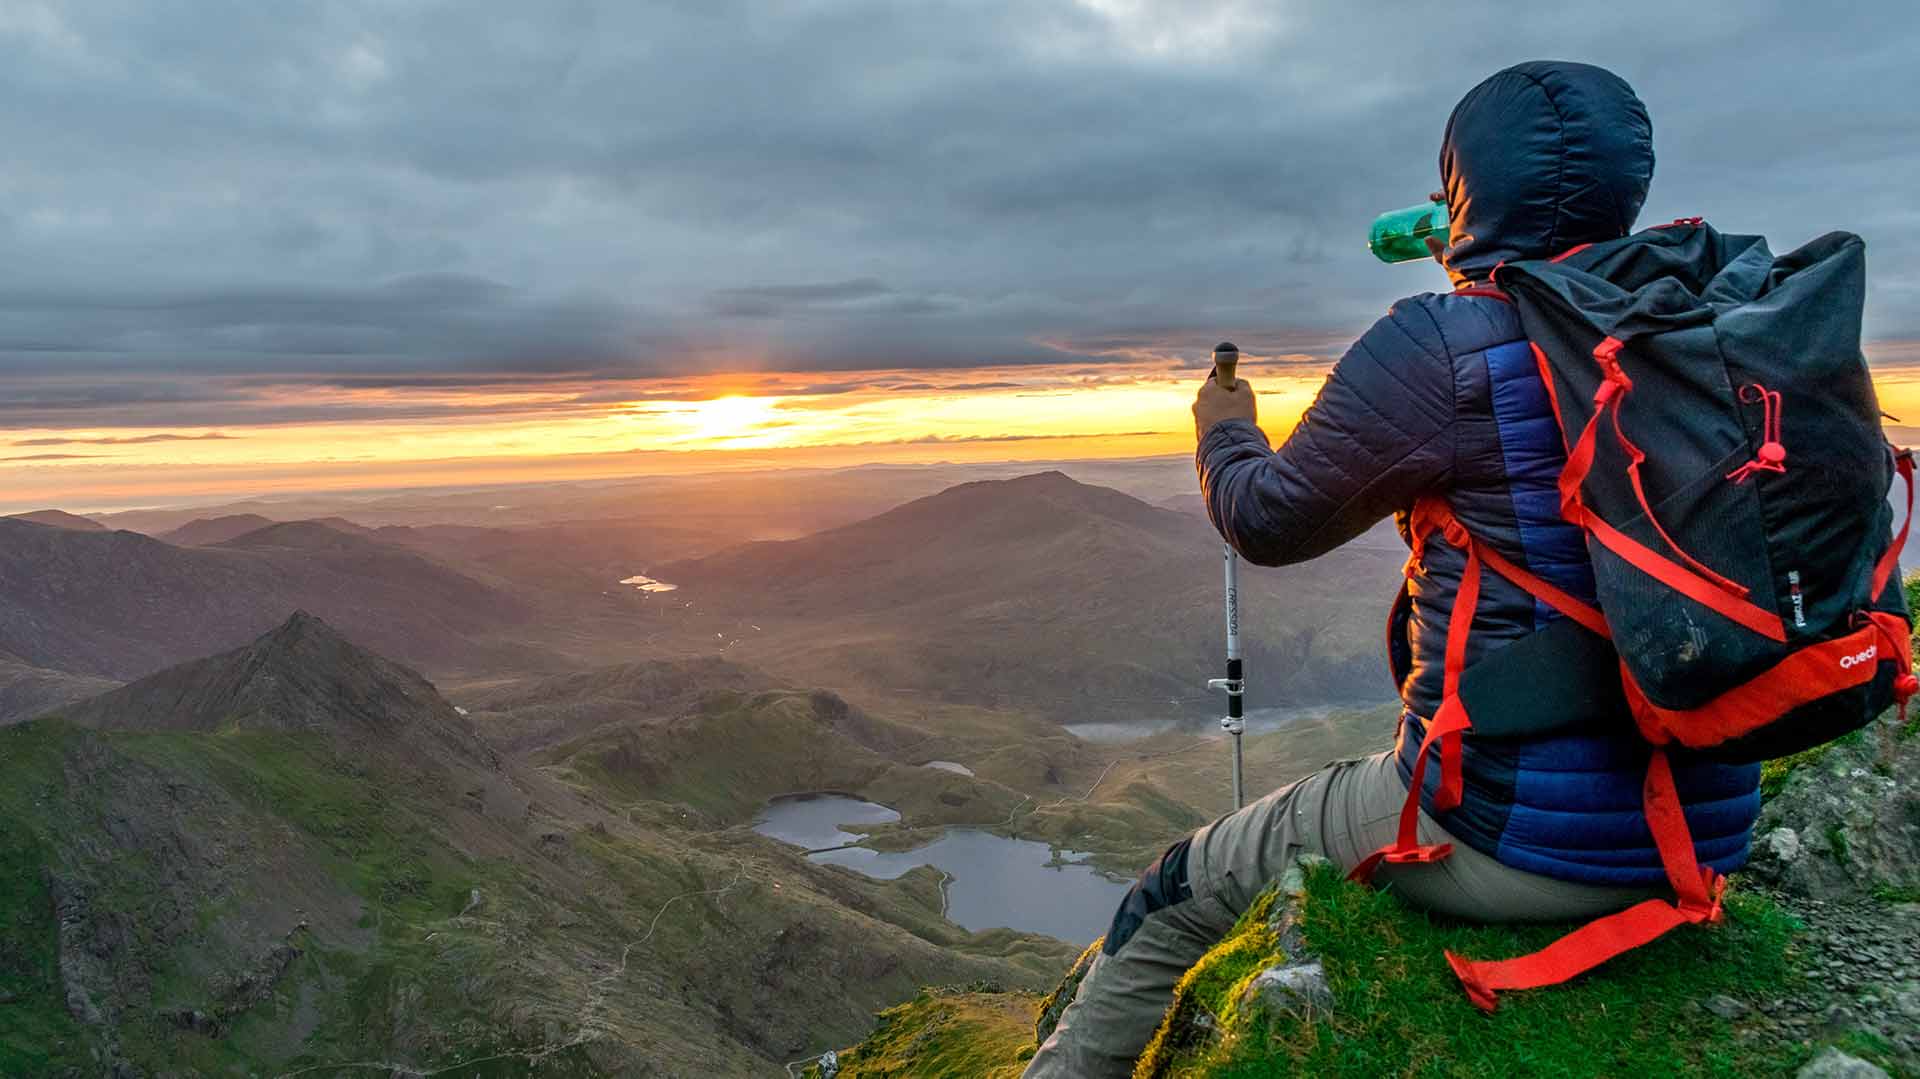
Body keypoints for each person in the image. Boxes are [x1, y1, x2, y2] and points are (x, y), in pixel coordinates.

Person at [1023, 60, 1763, 1078]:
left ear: (1467, 187)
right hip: (1714, 818)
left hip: (1514, 838)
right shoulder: (1714, 327)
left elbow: (1267, 520)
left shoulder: (1445, 342)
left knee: (1175, 885)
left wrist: (1225, 430)